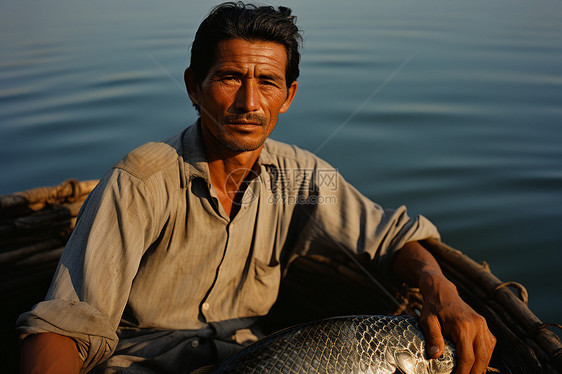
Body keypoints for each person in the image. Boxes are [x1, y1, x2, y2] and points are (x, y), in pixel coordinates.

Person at [17, 2, 496, 373]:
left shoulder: (301, 177)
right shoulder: (143, 180)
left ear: (287, 96)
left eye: (268, 82)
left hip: (262, 359)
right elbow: (65, 326)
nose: (249, 102)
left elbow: (393, 239)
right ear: (193, 86)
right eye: (229, 78)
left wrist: (443, 293)